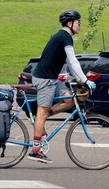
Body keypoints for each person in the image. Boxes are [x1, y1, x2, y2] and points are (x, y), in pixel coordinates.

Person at [27, 10, 96, 163]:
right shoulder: (64, 37)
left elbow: (69, 64)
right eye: (78, 22)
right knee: (41, 111)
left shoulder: (63, 37)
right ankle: (35, 150)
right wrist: (85, 80)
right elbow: (72, 61)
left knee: (69, 100)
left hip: (51, 78)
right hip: (45, 79)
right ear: (70, 23)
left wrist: (78, 78)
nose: (80, 25)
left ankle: (41, 119)